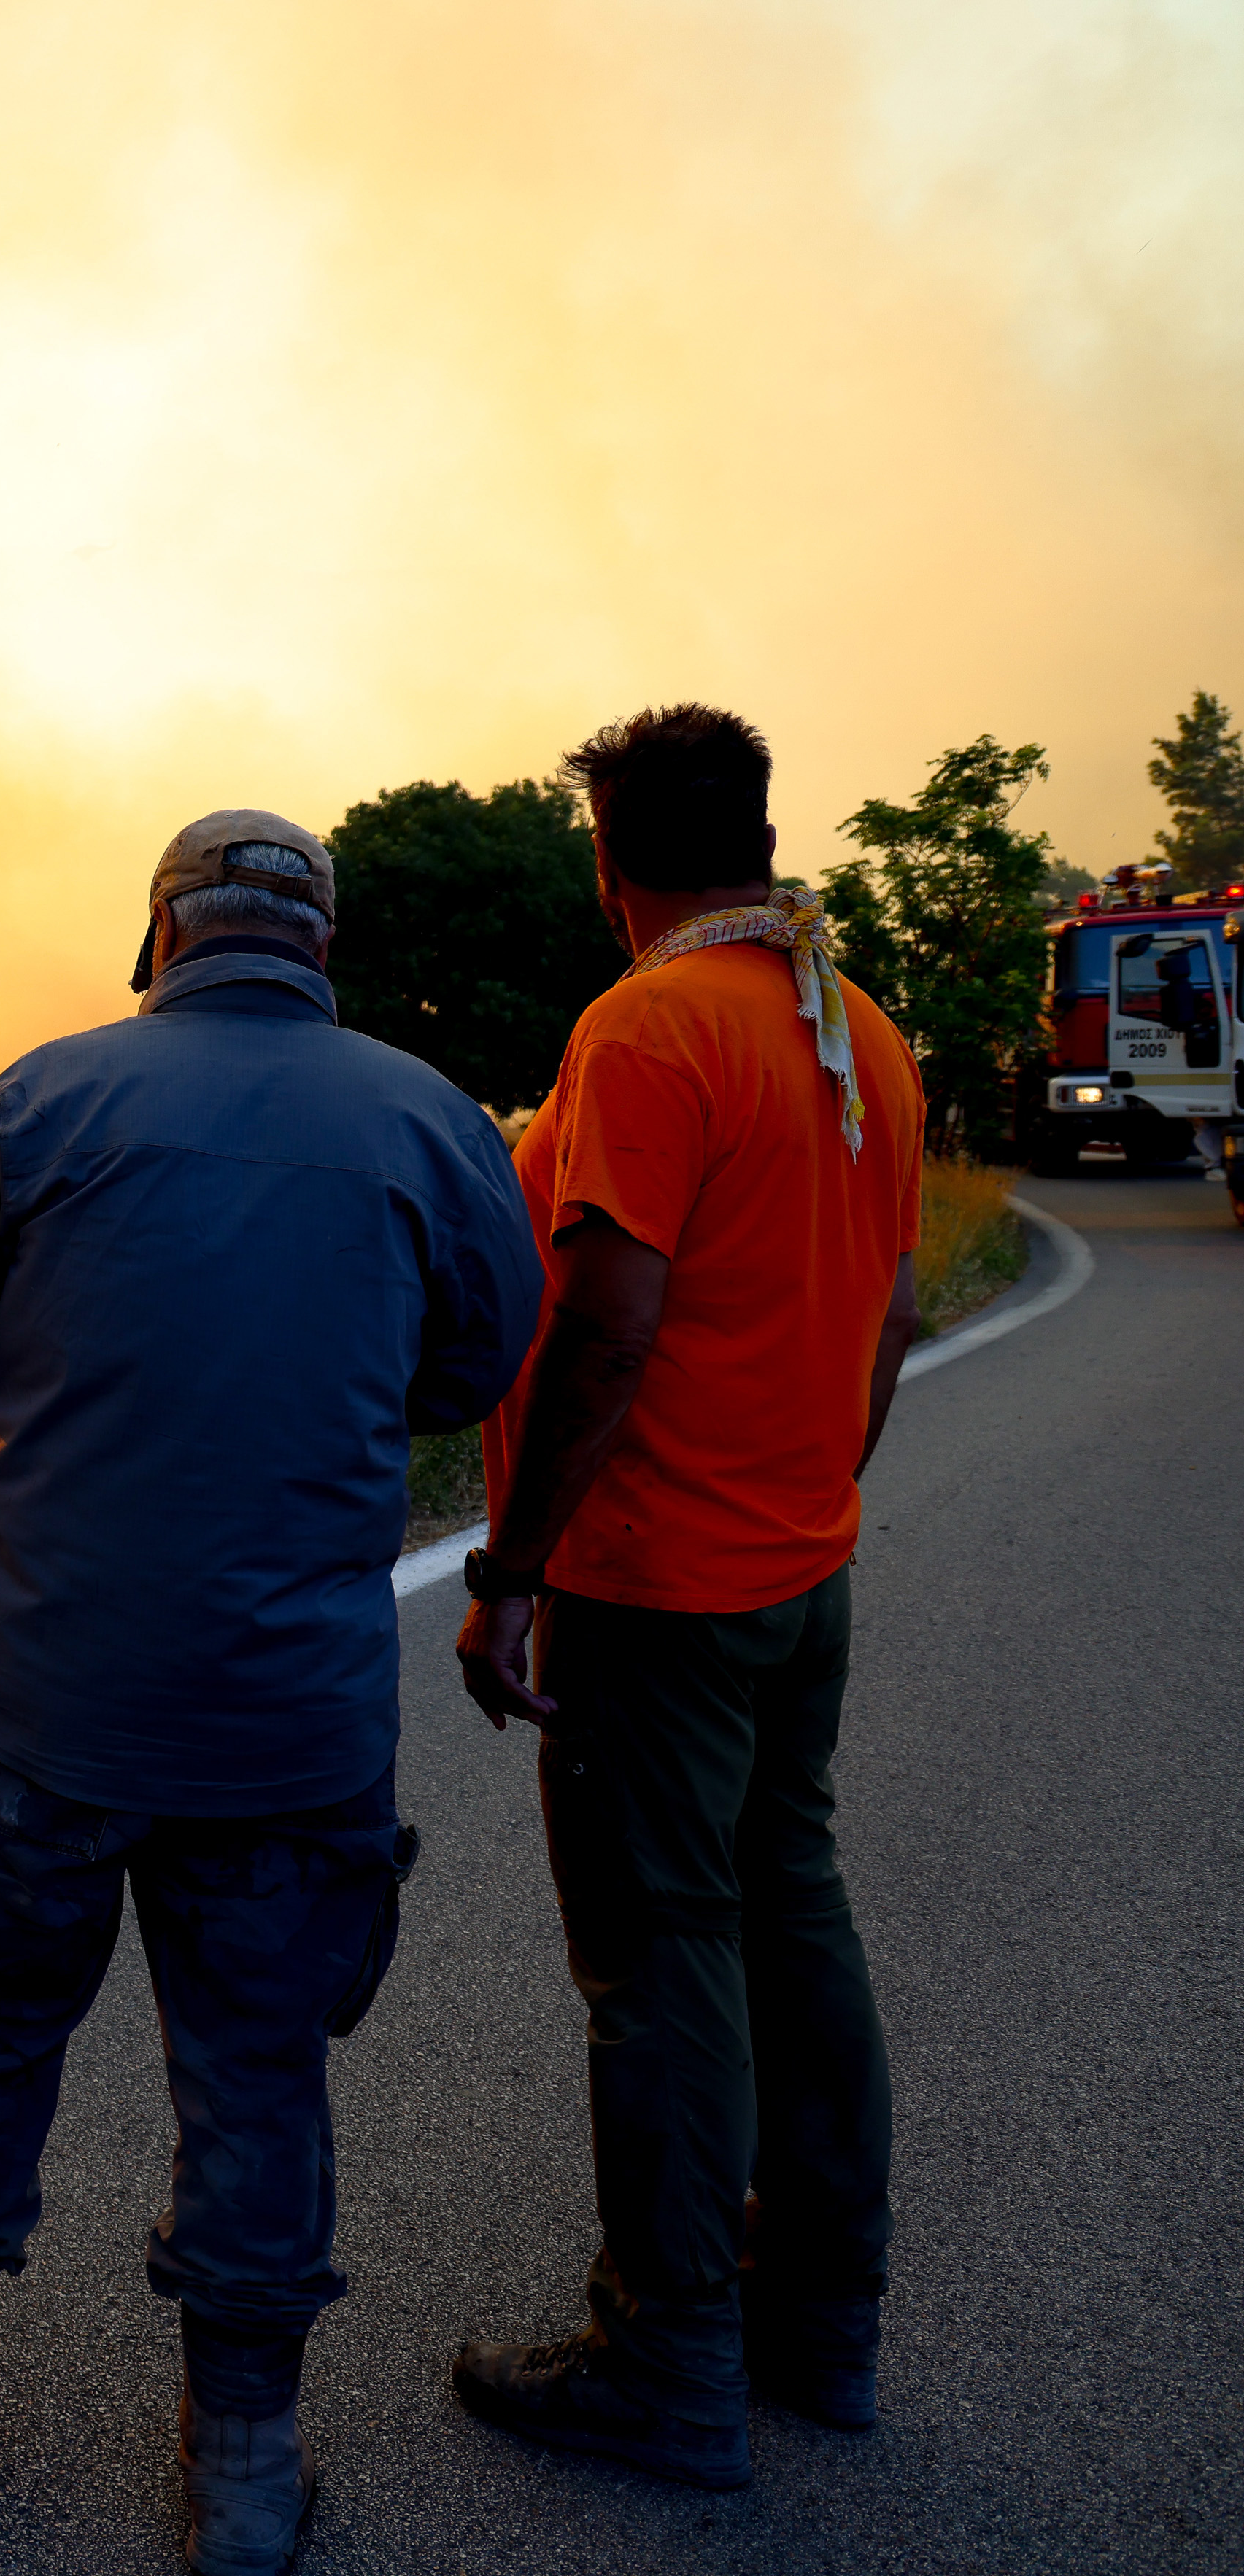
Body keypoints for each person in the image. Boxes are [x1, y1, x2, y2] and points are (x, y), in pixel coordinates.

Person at [0, 810, 542, 2570]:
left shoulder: (43, 1096)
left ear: (156, 937)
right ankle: (241, 2470)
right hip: (285, 1724)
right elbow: (477, 1361)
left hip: (31, 1701)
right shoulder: (426, 1119)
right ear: (322, 950)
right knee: (256, 2076)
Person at [449, 702, 924, 2491]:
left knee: (659, 1956)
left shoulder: (647, 1026)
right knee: (793, 1918)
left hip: (660, 1593)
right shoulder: (856, 1028)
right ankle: (826, 2323)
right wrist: (815, 1487)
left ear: (608, 862)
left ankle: (667, 2354)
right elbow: (882, 1316)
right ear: (759, 832)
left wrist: (516, 1569)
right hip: (801, 1576)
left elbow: (611, 1319)